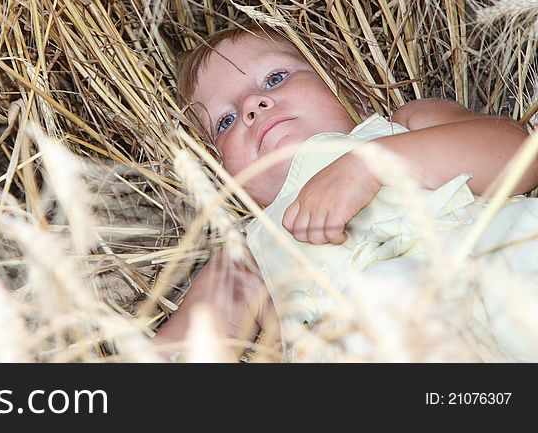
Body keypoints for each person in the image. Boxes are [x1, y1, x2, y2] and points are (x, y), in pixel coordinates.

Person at [152, 24, 538, 360]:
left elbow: (520, 157)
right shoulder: (253, 250)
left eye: (275, 79)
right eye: (226, 121)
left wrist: (371, 163)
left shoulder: (401, 125)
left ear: (342, 84)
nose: (252, 106)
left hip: (498, 274)